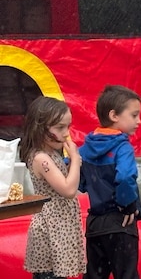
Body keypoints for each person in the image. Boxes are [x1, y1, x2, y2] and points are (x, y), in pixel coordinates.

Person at [79, 85, 141, 279]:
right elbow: (124, 177)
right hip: (120, 221)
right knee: (127, 274)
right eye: (134, 115)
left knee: (94, 274)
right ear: (114, 115)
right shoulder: (123, 147)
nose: (139, 121)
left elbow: (78, 180)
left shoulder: (84, 148)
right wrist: (128, 205)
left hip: (95, 223)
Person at [19, 96, 86, 279]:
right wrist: (75, 161)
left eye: (68, 127)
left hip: (59, 225)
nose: (66, 133)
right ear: (39, 128)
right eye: (59, 127)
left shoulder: (51, 154)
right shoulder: (42, 158)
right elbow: (68, 190)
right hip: (50, 228)